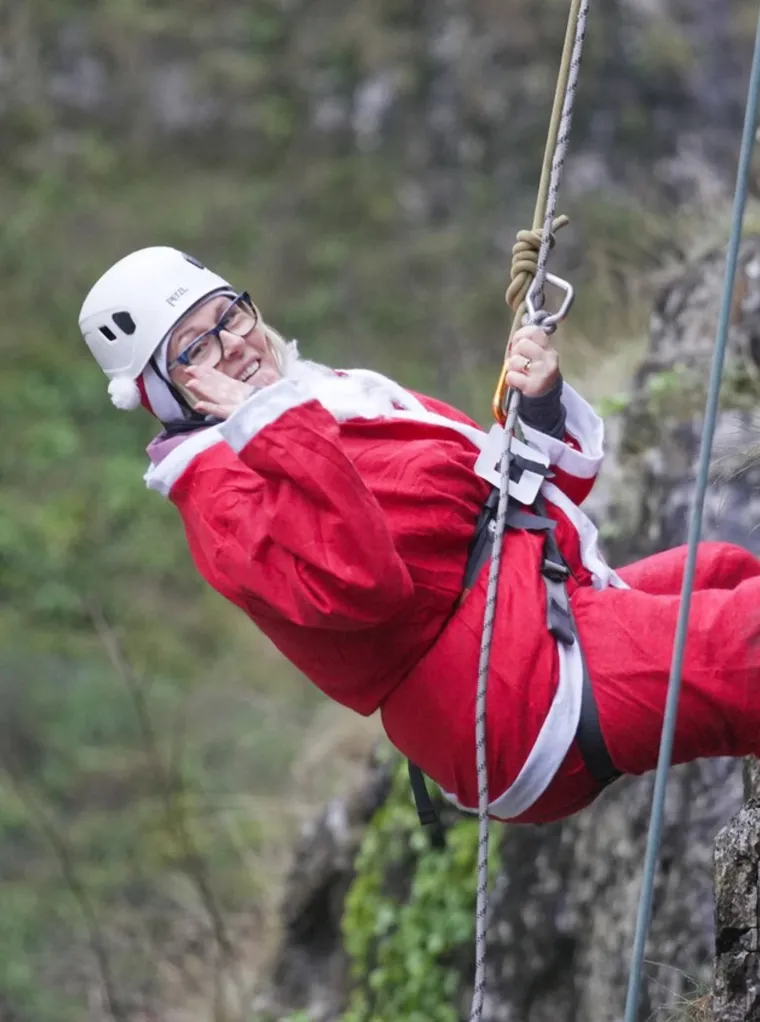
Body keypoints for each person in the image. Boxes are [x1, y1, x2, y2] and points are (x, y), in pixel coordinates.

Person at [78, 245, 760, 826]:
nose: (233, 344)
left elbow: (492, 494)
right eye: (195, 347)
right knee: (744, 639)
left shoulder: (322, 396)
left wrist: (540, 403)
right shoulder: (226, 499)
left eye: (230, 315)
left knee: (723, 568)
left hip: (532, 618)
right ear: (162, 393)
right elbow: (364, 584)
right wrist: (273, 424)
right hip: (515, 694)